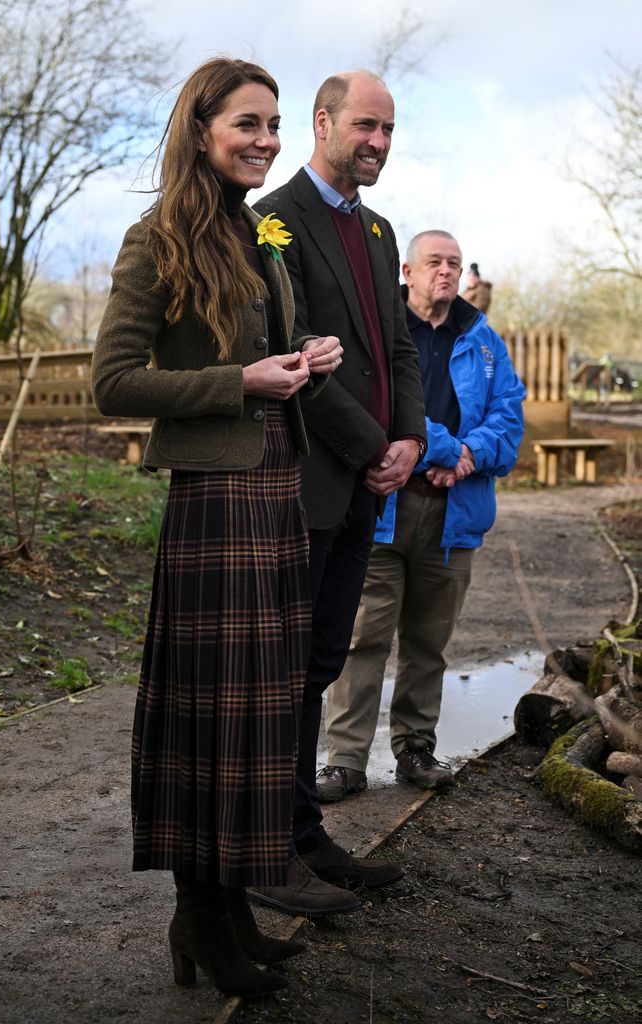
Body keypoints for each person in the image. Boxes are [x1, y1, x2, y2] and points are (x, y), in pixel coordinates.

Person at [92, 58, 344, 999]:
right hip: (214, 503)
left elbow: (262, 360)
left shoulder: (258, 238)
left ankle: (225, 905)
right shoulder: (156, 239)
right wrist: (237, 383)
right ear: (201, 130)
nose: (267, 139)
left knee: (260, 713)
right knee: (212, 715)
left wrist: (307, 363)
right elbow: (113, 382)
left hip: (278, 488)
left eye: (274, 124)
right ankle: (199, 914)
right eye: (248, 123)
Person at [248, 71, 426, 918]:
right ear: (323, 123)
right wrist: (370, 446)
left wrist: (412, 439)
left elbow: (398, 347)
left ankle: (304, 830)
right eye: (365, 126)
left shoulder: (383, 229)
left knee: (322, 661)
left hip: (367, 488)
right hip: (309, 479)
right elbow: (290, 352)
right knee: (283, 670)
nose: (379, 143)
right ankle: (266, 847)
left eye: (388, 130)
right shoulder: (272, 221)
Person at [318, 230, 525, 801]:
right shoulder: (381, 335)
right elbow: (375, 413)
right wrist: (445, 450)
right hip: (383, 509)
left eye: (455, 263)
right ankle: (345, 760)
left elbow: (509, 423)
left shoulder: (484, 342)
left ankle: (414, 747)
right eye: (434, 262)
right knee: (363, 639)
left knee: (429, 643)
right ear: (405, 271)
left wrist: (469, 455)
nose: (447, 272)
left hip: (454, 516)